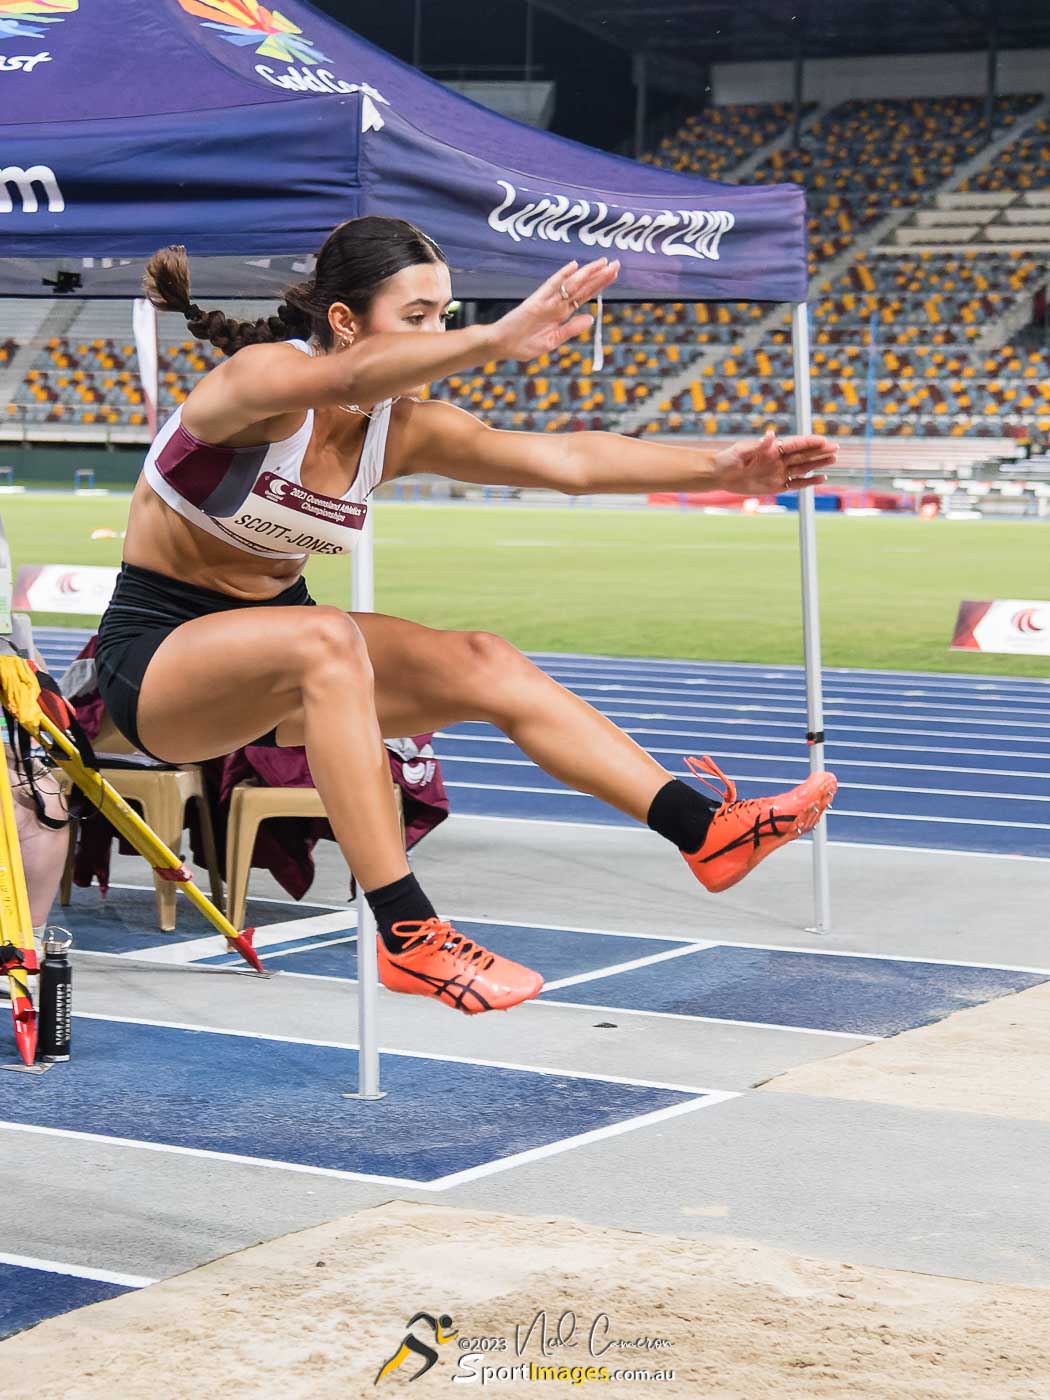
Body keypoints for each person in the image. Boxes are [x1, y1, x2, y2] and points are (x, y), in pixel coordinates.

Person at [96, 215, 837, 1016]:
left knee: (483, 659)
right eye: (416, 317)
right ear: (344, 322)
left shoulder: (399, 427)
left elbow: (567, 460)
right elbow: (346, 381)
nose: (437, 333)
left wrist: (722, 469)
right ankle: (409, 935)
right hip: (158, 661)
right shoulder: (259, 381)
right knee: (327, 638)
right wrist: (497, 338)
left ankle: (703, 831)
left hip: (278, 653)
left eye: (445, 316)